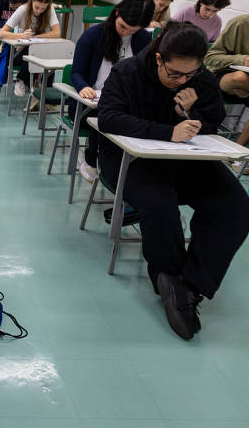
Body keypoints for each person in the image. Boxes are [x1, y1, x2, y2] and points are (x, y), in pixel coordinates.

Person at [97, 21, 249, 340]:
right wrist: (167, 131)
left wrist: (193, 113)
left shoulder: (200, 78)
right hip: (128, 159)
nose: (182, 80)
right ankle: (167, 273)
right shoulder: (128, 73)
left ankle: (188, 285)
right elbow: (108, 117)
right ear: (158, 58)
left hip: (183, 159)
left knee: (235, 206)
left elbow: (212, 121)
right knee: (160, 203)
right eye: (175, 74)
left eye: (190, 75)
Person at [71, 0, 155, 182]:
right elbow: (76, 72)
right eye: (123, 27)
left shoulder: (142, 39)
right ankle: (91, 159)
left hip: (126, 101)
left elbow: (145, 74)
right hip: (91, 102)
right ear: (116, 13)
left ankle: (131, 167)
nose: (126, 33)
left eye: (133, 30)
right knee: (106, 114)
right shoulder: (92, 36)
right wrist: (83, 86)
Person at [0, 0, 61, 96]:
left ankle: (45, 91)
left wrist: (36, 37)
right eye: (37, 7)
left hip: (40, 52)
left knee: (48, 53)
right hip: (17, 54)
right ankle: (22, 80)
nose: (39, 11)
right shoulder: (23, 9)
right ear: (31, 1)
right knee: (32, 50)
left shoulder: (50, 10)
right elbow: (2, 34)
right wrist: (21, 35)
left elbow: (57, 33)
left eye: (43, 9)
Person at [205, 13, 249, 169]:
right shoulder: (240, 23)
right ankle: (239, 156)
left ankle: (238, 153)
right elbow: (210, 58)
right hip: (225, 79)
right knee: (240, 77)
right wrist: (242, 59)